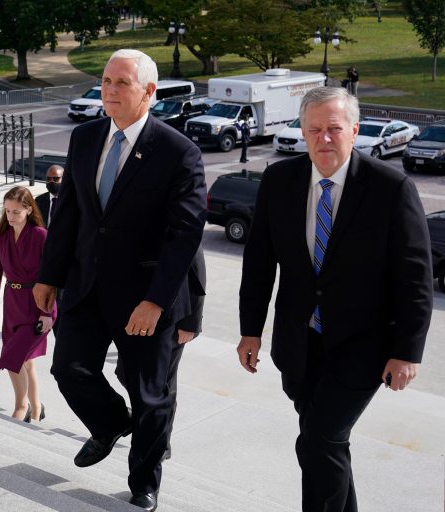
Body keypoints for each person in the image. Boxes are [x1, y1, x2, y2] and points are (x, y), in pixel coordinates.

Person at [237, 86, 432, 512]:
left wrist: (407, 352)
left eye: (334, 129)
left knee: (321, 438)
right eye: (314, 129)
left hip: (363, 347)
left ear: (355, 131)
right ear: (303, 133)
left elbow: (415, 279)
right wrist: (250, 331)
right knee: (322, 445)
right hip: (298, 344)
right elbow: (258, 264)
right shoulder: (279, 181)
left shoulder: (391, 188)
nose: (324, 138)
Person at [33, 49, 207, 512]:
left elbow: (185, 235)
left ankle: (144, 481)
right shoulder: (86, 138)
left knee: (151, 396)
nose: (108, 90)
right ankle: (110, 422)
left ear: (149, 92)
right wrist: (47, 276)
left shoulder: (179, 153)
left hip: (145, 297)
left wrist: (156, 301)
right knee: (68, 367)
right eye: (105, 80)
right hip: (86, 285)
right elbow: (68, 211)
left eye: (121, 83)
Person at [114, 247, 205, 462]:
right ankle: (148, 424)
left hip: (174, 320)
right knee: (125, 374)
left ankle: (161, 441)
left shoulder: (182, 222)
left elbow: (197, 272)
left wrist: (191, 322)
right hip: (138, 318)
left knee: (163, 384)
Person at [0, 186, 55, 423]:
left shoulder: (40, 236)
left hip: (37, 305)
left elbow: (51, 276)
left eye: (16, 211)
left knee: (11, 358)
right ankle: (37, 408)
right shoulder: (0, 237)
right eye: (7, 211)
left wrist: (47, 312)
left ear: (28, 209)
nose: (10, 216)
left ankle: (21, 406)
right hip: (12, 304)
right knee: (26, 362)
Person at [34, 164, 64, 336]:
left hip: (62, 255)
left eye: (56, 179)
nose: (52, 182)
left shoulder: (71, 200)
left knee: (59, 297)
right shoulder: (40, 201)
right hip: (44, 255)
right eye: (49, 179)